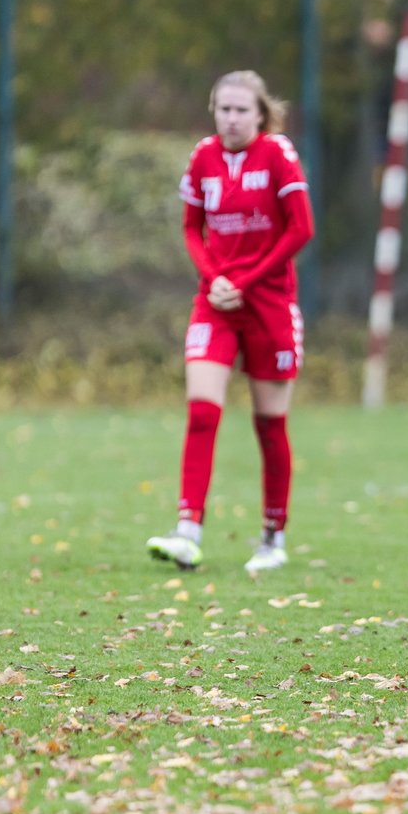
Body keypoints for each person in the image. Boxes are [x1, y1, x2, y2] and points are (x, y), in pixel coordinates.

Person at [146, 70, 314, 572]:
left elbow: (301, 228)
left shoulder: (278, 154)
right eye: (223, 108)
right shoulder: (203, 157)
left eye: (241, 109)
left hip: (269, 303)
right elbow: (191, 228)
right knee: (201, 410)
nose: (231, 118)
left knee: (269, 424)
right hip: (214, 302)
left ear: (260, 113)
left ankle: (273, 538)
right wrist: (214, 277)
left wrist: (246, 279)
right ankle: (187, 530)